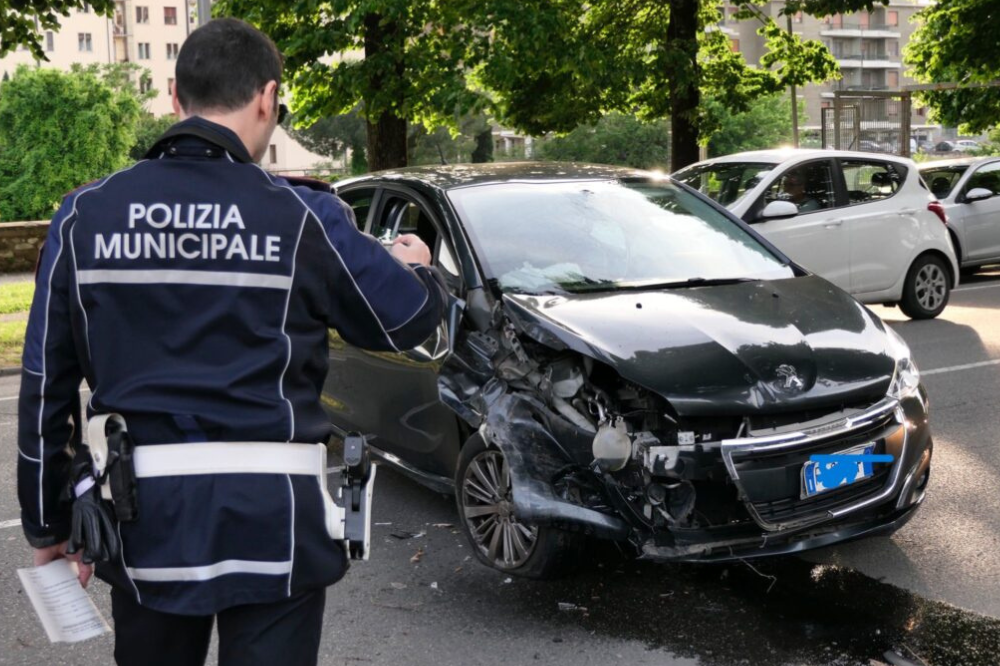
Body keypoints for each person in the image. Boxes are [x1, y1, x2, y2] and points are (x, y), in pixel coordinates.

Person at [17, 17, 447, 666]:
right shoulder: (304, 215)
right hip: (276, 524)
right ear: (267, 98)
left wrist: (47, 522)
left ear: (174, 96)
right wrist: (418, 265)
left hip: (149, 528)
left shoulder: (86, 217)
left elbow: (44, 390)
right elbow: (405, 322)